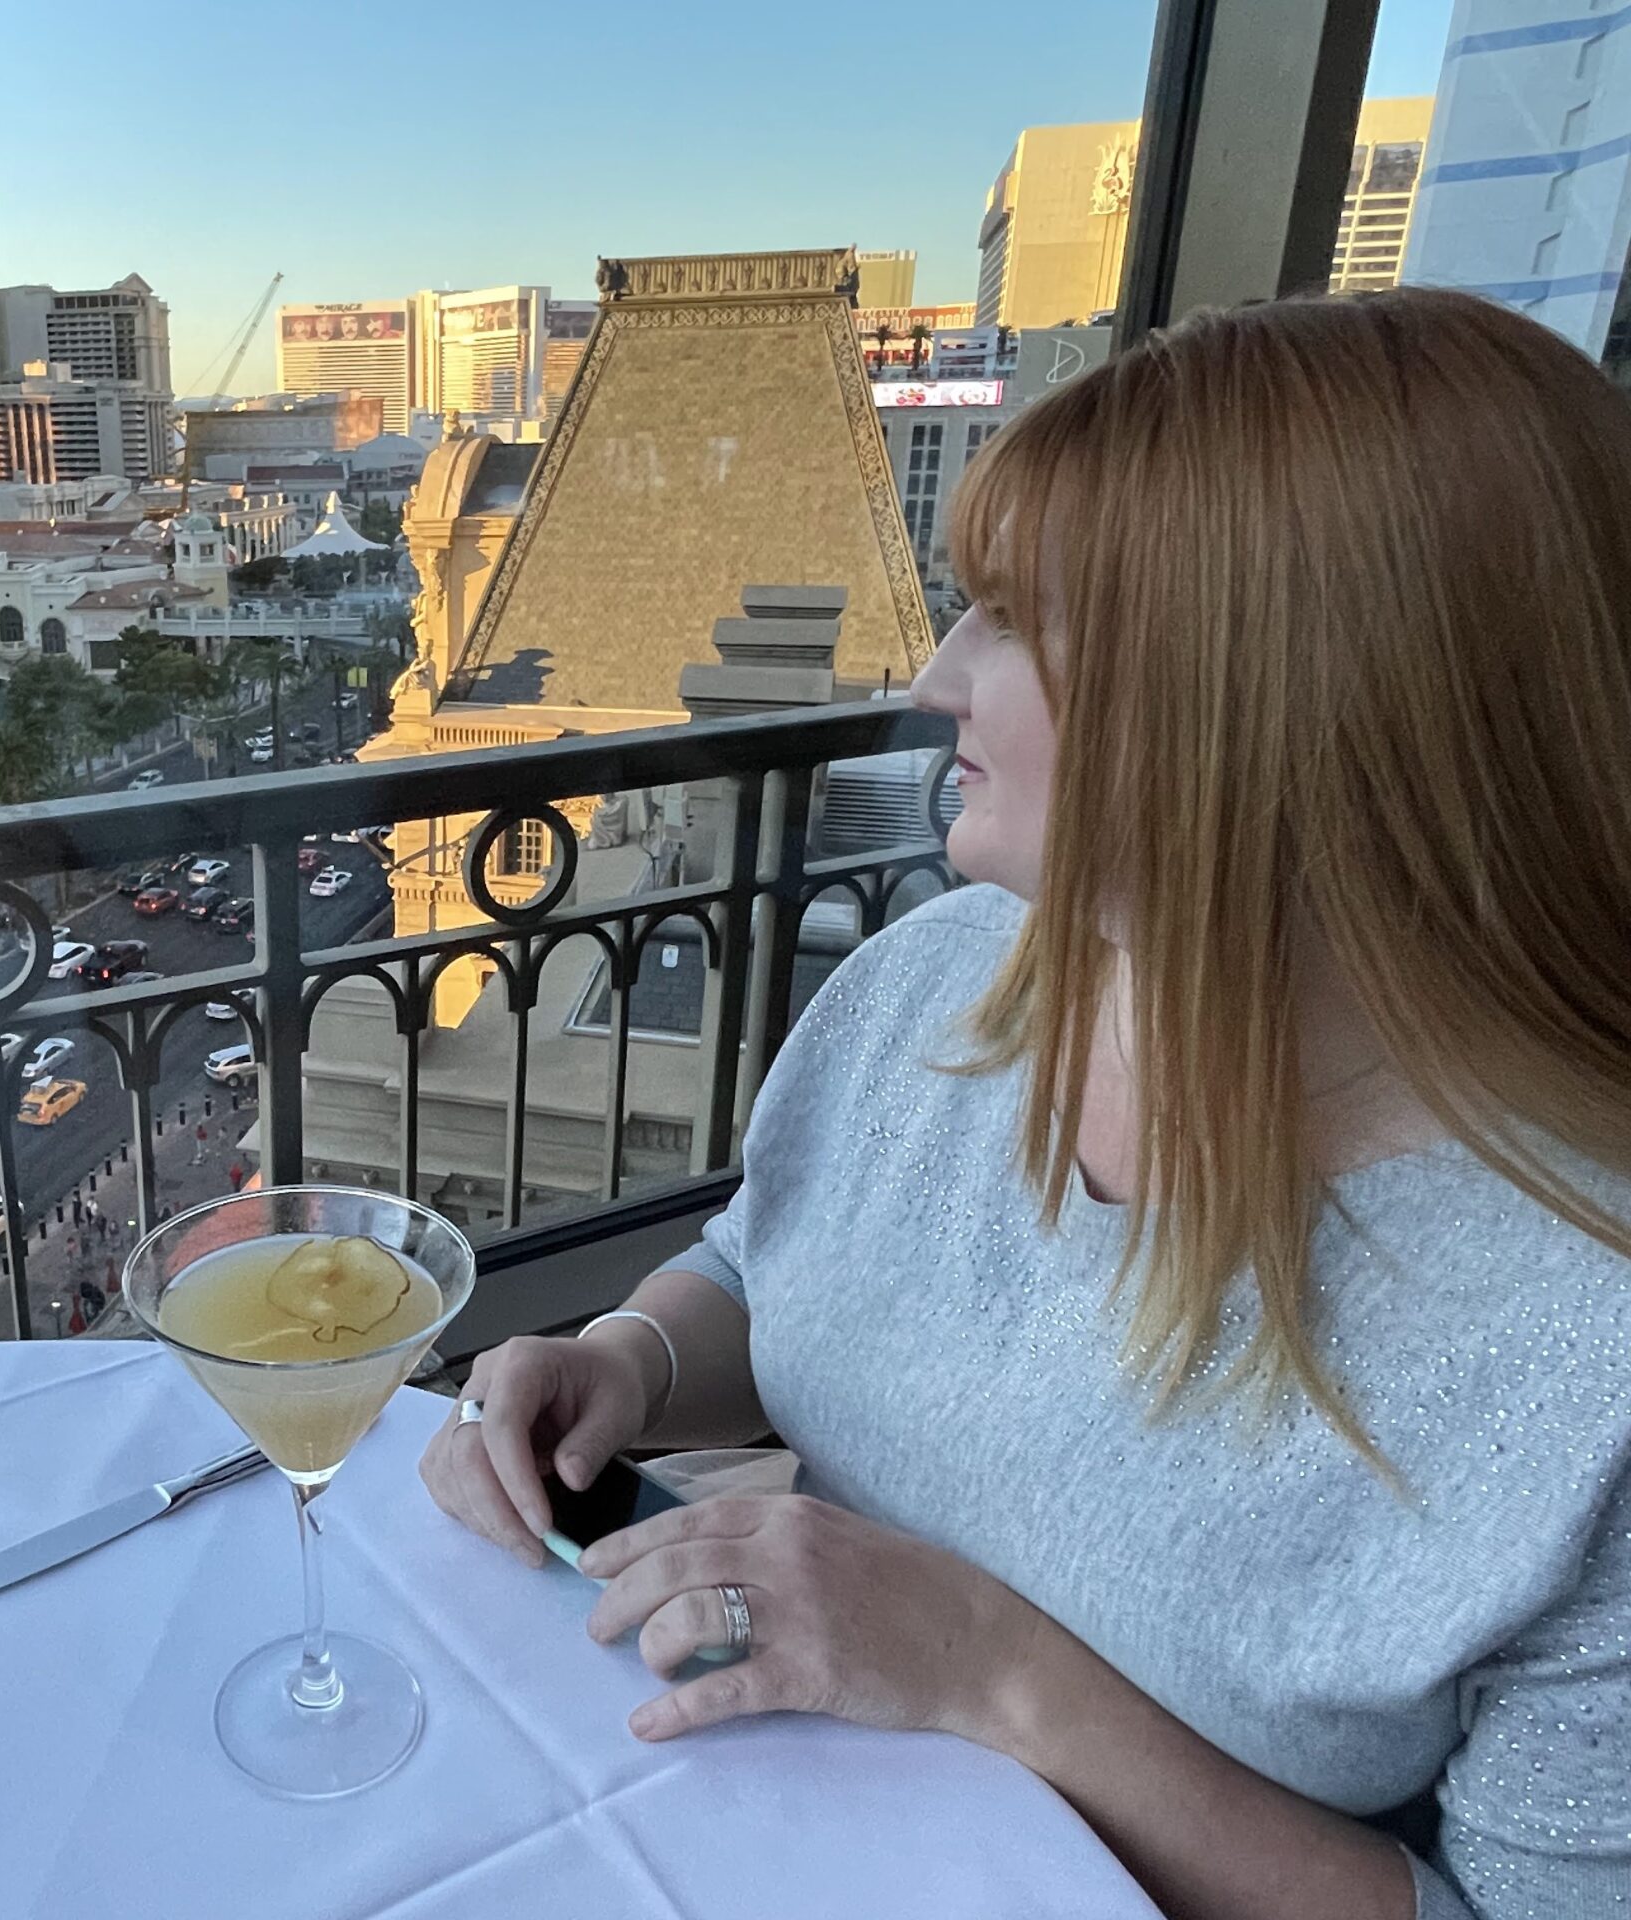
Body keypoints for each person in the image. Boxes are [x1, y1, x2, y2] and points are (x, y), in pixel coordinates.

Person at [420, 288, 1631, 1920]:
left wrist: (997, 1678)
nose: (934, 677)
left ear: (1271, 702)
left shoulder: (1590, 1358)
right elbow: (769, 1260)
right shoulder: (946, 978)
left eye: (1012, 619)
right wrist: (627, 1364)